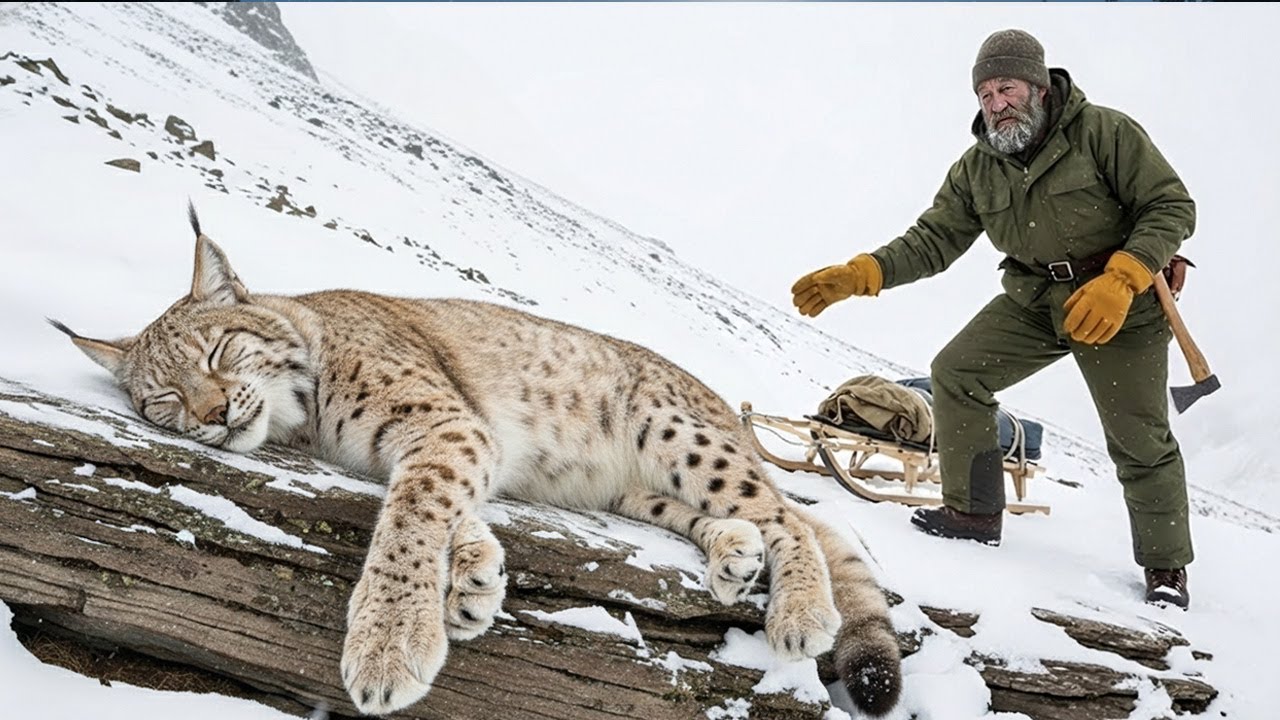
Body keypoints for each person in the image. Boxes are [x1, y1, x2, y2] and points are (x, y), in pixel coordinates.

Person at [789, 29, 1196, 609]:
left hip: (1120, 304)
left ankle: (1165, 567)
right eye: (984, 94)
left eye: (1005, 88)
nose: (996, 104)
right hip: (1035, 299)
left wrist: (1124, 276)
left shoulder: (1105, 132)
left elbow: (1171, 205)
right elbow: (933, 240)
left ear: (1037, 85)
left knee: (1139, 438)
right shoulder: (978, 167)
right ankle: (973, 514)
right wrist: (862, 274)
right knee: (957, 373)